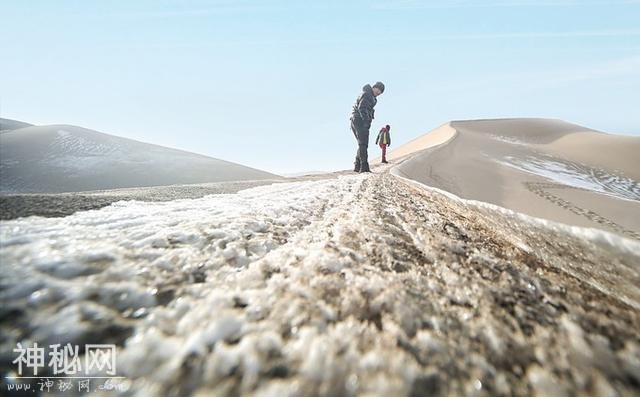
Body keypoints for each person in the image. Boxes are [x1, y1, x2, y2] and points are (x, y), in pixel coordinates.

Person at [350, 81, 385, 173]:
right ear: (374, 87)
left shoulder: (371, 97)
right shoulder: (367, 95)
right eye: (378, 90)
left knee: (362, 143)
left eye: (381, 92)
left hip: (357, 120)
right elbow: (362, 108)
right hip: (359, 120)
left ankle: (357, 166)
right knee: (363, 144)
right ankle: (364, 167)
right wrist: (366, 121)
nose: (379, 93)